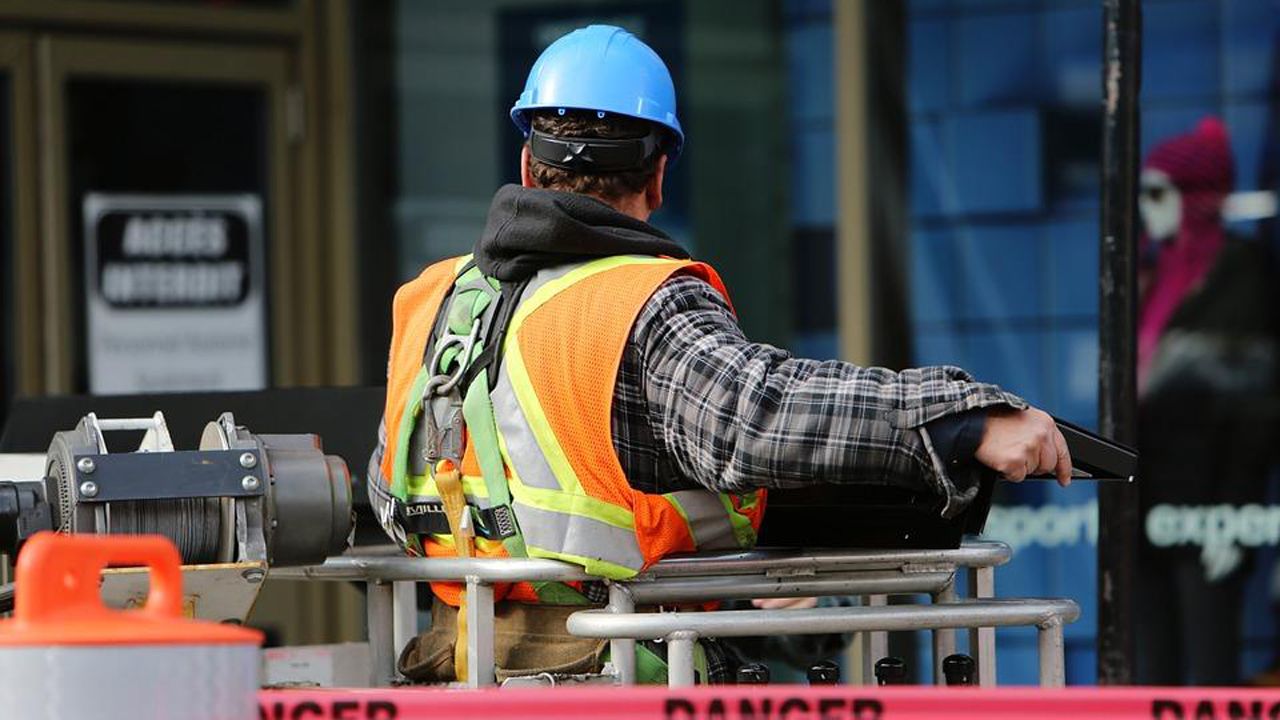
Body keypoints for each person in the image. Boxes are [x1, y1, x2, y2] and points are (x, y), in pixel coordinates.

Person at [367, 24, 1071, 685]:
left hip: (457, 672)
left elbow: (390, 483)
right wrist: (964, 418)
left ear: (526, 162)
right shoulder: (640, 301)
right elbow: (754, 417)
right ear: (659, 176)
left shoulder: (430, 302)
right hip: (620, 677)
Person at [1134, 117, 1280, 685]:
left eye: (1157, 193)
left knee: (1210, 664)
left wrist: (1234, 514)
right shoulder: (1146, 272)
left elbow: (1252, 408)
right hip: (1146, 496)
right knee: (1151, 667)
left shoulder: (1239, 274)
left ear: (1195, 197)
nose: (1148, 208)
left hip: (1209, 500)